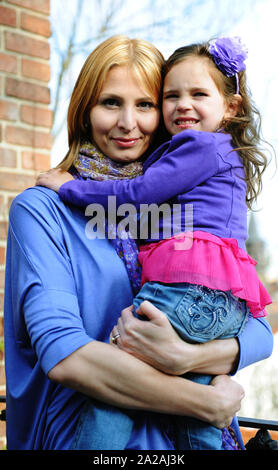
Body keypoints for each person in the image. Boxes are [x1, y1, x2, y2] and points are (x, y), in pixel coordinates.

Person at [4, 36, 272, 452]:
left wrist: (186, 358)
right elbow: (64, 353)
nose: (128, 122)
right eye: (110, 102)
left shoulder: (180, 208)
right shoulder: (43, 209)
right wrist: (205, 401)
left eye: (144, 105)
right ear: (84, 110)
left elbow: (257, 330)